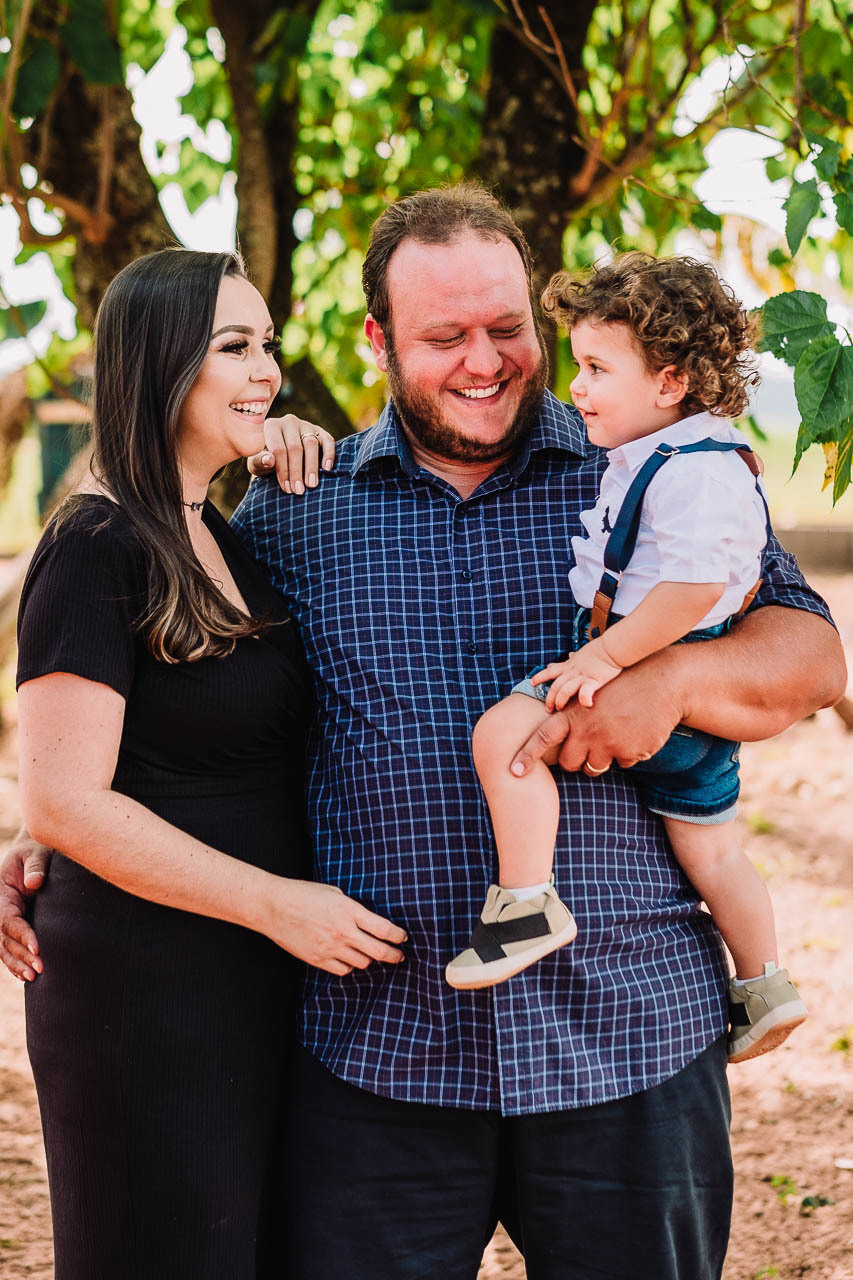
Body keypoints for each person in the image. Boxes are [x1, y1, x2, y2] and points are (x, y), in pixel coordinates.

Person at [1, 187, 846, 1280]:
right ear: (378, 341)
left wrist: (674, 675)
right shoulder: (293, 512)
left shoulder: (644, 465)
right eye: (444, 337)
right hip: (378, 1054)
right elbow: (190, 712)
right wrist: (52, 845)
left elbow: (813, 659)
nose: (484, 361)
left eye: (508, 329)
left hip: (629, 1030)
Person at [8, 247, 406, 1280]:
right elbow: (62, 797)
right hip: (145, 985)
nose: (265, 370)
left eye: (267, 343)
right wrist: (278, 902)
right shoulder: (96, 542)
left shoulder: (222, 531)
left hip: (254, 970)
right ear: (160, 362)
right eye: (233, 347)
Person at [446, 251, 808, 1068]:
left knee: (503, 735)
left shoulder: (688, 474)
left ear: (670, 381)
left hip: (662, 671)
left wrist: (603, 659)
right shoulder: (679, 453)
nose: (576, 388)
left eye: (596, 368)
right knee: (710, 847)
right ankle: (764, 982)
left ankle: (528, 901)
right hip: (690, 704)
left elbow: (687, 591)